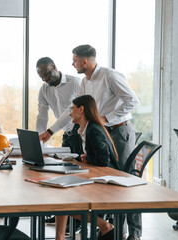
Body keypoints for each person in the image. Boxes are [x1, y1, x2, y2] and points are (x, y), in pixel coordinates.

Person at [40, 44, 141, 240]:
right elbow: (73, 109)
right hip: (102, 132)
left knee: (126, 181)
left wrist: (106, 118)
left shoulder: (110, 75)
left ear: (84, 61)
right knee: (105, 181)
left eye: (75, 60)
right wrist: (51, 130)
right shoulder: (85, 82)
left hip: (119, 131)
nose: (72, 64)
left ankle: (134, 234)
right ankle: (108, 228)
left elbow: (133, 101)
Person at [55, 95, 118, 240]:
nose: (70, 112)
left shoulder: (94, 130)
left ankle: (104, 225)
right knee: (61, 195)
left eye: (73, 109)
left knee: (63, 199)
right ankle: (60, 237)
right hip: (97, 176)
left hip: (107, 181)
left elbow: (103, 160)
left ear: (81, 109)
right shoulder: (84, 129)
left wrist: (87, 158)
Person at [35, 57, 82, 154]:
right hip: (66, 135)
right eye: (41, 77)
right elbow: (42, 117)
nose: (45, 79)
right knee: (64, 165)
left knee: (83, 167)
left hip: (80, 134)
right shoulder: (44, 90)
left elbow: (71, 111)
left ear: (53, 67)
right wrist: (39, 140)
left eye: (46, 75)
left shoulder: (75, 83)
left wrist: (50, 131)